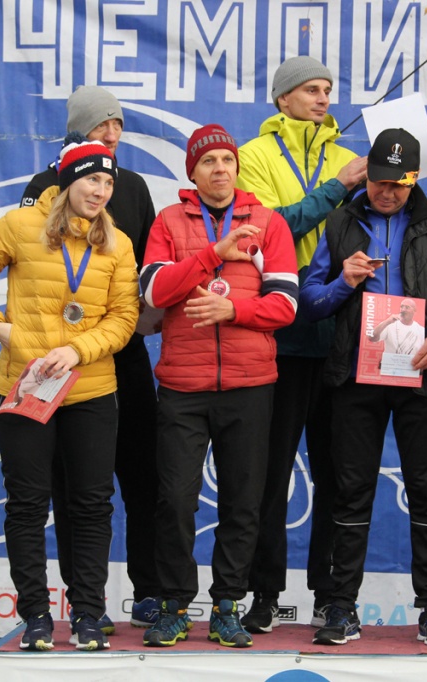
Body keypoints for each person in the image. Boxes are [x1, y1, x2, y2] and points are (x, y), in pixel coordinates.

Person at [0, 135, 139, 651]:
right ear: (69, 181)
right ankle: (36, 616)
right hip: (26, 386)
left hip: (91, 391)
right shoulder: (21, 226)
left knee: (91, 505)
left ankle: (88, 615)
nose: (100, 191)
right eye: (91, 179)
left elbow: (124, 317)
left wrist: (78, 350)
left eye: (108, 182)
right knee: (28, 504)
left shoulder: (118, 244)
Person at [300, 129, 427, 647]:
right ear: (366, 175)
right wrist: (343, 282)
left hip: (422, 374)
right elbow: (310, 301)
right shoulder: (341, 221)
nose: (387, 192)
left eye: (398, 183)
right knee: (349, 493)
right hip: (357, 376)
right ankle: (340, 607)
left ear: (413, 180)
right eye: (379, 181)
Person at [138, 124, 299, 648]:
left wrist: (233, 309)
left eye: (227, 160)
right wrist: (213, 252)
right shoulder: (168, 221)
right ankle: (174, 605)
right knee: (174, 500)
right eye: (208, 162)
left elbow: (286, 306)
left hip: (250, 385)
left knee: (242, 501)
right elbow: (156, 292)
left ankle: (228, 605)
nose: (220, 169)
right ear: (193, 172)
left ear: (237, 167)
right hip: (183, 387)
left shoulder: (269, 223)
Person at [21, 86, 162, 630]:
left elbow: (149, 269)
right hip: (62, 361)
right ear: (77, 130)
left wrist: (147, 313)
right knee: (73, 485)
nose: (112, 133)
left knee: (143, 474)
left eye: (118, 125)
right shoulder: (43, 187)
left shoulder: (134, 187)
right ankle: (87, 604)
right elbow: (25, 268)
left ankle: (150, 593)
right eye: (102, 124)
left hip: (122, 352)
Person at [236, 55, 368, 633]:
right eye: (311, 89)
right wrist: (338, 188)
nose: (323, 98)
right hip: (280, 334)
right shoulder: (252, 156)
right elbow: (272, 230)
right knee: (269, 474)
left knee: (338, 476)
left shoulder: (349, 158)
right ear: (282, 98)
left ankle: (331, 595)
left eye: (328, 89)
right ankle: (263, 593)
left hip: (341, 333)